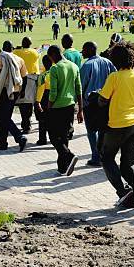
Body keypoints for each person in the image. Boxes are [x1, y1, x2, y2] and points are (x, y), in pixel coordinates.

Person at [98, 41, 134, 209]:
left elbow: (103, 101)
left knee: (107, 157)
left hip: (117, 124)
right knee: (129, 162)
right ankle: (131, 199)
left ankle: (124, 191)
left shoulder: (114, 77)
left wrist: (97, 96)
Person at [47, 45, 82, 176]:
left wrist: (49, 106)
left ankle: (69, 155)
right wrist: (80, 109)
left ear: (53, 55)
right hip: (70, 106)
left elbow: (53, 92)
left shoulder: (55, 68)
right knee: (64, 135)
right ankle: (63, 167)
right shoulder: (74, 66)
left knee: (53, 136)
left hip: (57, 107)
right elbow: (79, 89)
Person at [80, 41, 116, 166]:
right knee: (102, 129)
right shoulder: (107, 62)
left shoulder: (87, 65)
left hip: (90, 103)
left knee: (91, 131)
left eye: (84, 50)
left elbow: (81, 86)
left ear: (89, 50)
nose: (82, 52)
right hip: (105, 102)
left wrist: (80, 105)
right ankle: (102, 155)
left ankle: (96, 156)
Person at [0, 41, 28, 152]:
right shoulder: (20, 59)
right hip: (16, 90)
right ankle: (2, 143)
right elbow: (25, 77)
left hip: (5, 90)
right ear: (12, 48)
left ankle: (19, 137)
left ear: (3, 48)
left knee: (3, 116)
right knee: (6, 115)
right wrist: (23, 91)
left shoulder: (2, 57)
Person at [14, 37, 41, 134]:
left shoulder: (16, 52)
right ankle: (27, 124)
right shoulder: (35, 52)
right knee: (29, 102)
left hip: (22, 77)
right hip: (32, 78)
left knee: (23, 102)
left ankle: (26, 124)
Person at [34, 55, 52, 146]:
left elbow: (40, 89)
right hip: (54, 97)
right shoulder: (56, 72)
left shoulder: (43, 75)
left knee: (42, 120)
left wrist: (37, 102)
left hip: (45, 97)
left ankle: (42, 139)